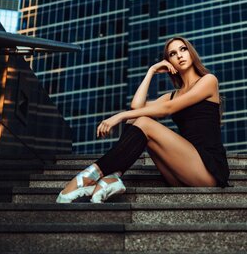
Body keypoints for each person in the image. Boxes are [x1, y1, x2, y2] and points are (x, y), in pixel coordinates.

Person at [57, 36, 229, 203]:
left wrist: (119, 116)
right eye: (172, 54)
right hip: (180, 172)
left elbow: (167, 109)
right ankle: (113, 176)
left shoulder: (209, 81)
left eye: (183, 49)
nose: (179, 55)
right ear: (169, 62)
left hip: (207, 170)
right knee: (138, 119)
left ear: (191, 53)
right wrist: (151, 71)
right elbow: (137, 108)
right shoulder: (172, 95)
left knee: (144, 122)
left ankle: (89, 176)